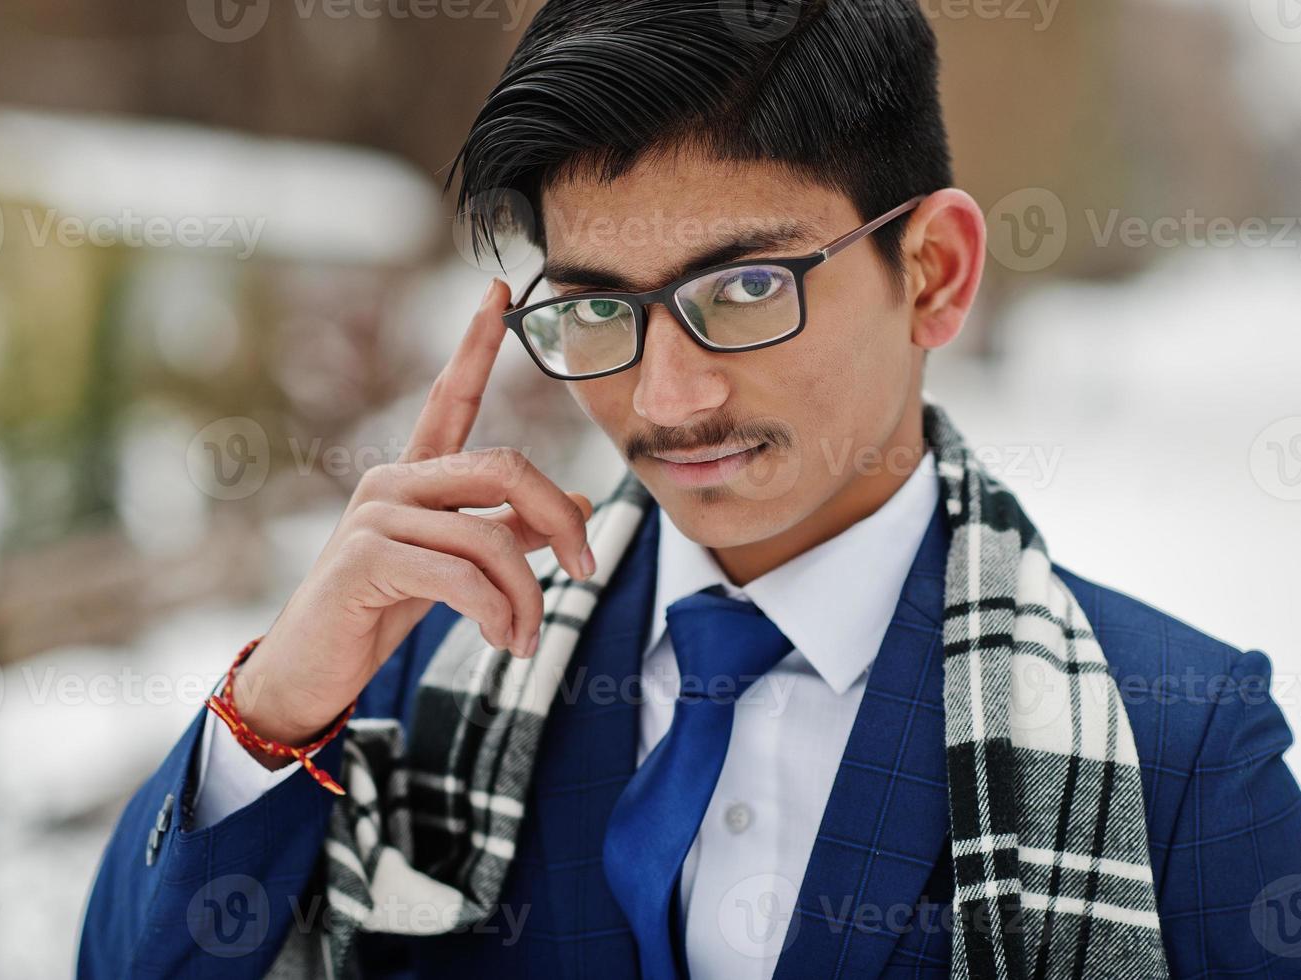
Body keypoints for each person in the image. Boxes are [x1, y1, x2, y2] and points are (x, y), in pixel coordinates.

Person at [79, 1, 1301, 977]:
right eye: (600, 304)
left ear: (931, 271)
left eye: (746, 289)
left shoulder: (1181, 750)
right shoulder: (423, 667)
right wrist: (277, 703)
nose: (667, 400)